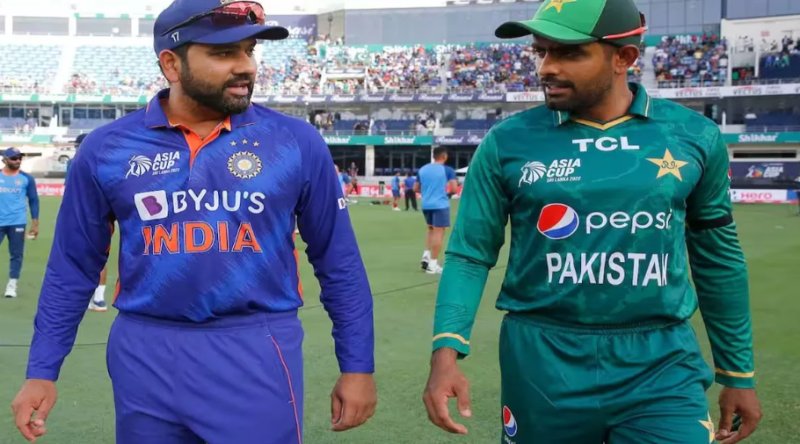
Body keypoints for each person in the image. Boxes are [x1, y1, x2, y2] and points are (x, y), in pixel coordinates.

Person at [11, 1, 377, 443]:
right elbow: (72, 267)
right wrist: (42, 370)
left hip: (255, 349)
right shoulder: (107, 149)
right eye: (224, 53)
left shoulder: (295, 141)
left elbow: (339, 262)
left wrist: (357, 366)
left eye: (249, 51)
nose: (246, 66)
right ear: (171, 63)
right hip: (143, 352)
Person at [423, 1, 762, 443]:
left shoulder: (694, 136)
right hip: (542, 360)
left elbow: (718, 259)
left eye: (569, 53)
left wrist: (738, 372)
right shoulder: (507, 142)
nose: (546, 67)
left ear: (624, 58)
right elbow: (470, 254)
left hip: (660, 361)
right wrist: (446, 351)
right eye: (541, 51)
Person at [68, 132, 109, 312]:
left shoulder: (76, 162)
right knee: (98, 255)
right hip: (102, 213)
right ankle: (98, 298)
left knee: (77, 256)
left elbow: (71, 190)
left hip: (86, 215)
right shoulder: (105, 159)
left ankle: (83, 297)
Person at [0, 147, 39, 298]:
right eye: (14, 158)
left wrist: (35, 223)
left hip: (17, 222)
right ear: (5, 160)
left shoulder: (26, 178)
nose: (17, 161)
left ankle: (12, 284)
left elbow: (33, 200)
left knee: (16, 254)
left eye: (19, 158)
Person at [415, 148, 457, 274]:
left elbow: (416, 188)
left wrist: (428, 193)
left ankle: (426, 256)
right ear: (444, 156)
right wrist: (446, 195)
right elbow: (454, 189)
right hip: (440, 204)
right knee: (439, 232)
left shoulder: (423, 169)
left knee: (431, 230)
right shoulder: (447, 170)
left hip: (426, 204)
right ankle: (432, 265)